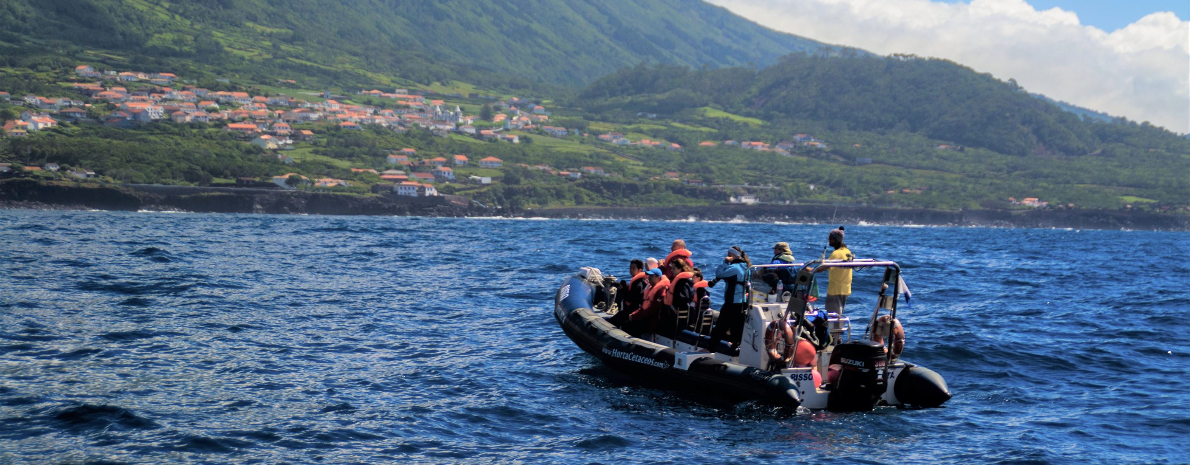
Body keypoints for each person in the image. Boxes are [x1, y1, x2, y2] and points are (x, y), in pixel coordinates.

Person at [707, 246, 751, 354]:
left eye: (728, 255)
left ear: (732, 256)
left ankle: (710, 349)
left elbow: (719, 273)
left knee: (720, 327)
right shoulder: (746, 267)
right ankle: (736, 347)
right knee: (737, 327)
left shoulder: (735, 268)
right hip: (742, 302)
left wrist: (725, 262)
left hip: (732, 303)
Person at [816, 226, 854, 315]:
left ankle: (834, 329)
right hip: (846, 289)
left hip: (835, 290)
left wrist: (811, 270)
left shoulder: (836, 254)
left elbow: (824, 267)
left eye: (831, 238)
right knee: (839, 314)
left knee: (832, 316)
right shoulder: (847, 251)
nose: (829, 240)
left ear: (836, 239)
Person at [622, 268, 669, 337]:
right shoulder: (650, 288)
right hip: (646, 316)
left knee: (629, 327)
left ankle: (637, 346)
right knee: (626, 323)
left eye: (651, 276)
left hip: (653, 320)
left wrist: (635, 316)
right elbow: (644, 306)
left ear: (658, 277)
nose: (649, 278)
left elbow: (652, 310)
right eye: (649, 276)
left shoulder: (660, 292)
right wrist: (634, 314)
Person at [662, 259, 696, 335]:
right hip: (686, 312)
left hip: (679, 314)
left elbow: (683, 297)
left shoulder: (682, 281)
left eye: (673, 268)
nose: (671, 270)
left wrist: (674, 307)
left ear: (679, 269)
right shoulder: (688, 280)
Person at [610, 259, 647, 327]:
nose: (631, 270)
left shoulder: (639, 282)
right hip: (632, 307)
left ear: (640, 270)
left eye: (633, 268)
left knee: (611, 322)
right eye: (630, 268)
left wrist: (622, 290)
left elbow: (631, 299)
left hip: (634, 309)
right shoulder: (639, 280)